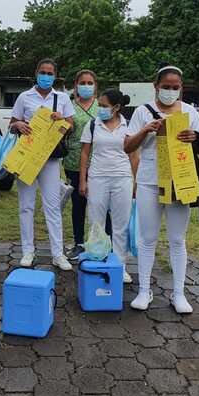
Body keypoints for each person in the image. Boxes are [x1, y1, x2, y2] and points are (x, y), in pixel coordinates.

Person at [124, 65, 199, 314]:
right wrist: (146, 130)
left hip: (180, 181)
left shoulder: (190, 112)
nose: (170, 91)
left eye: (175, 87)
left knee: (177, 239)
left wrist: (194, 138)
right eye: (165, 87)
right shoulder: (142, 111)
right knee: (147, 238)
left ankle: (178, 293)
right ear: (156, 86)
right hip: (150, 180)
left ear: (181, 88)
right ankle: (144, 290)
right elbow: (127, 146)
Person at [9, 59, 74, 271]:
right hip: (27, 157)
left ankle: (57, 253)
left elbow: (71, 126)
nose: (46, 76)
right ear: (36, 73)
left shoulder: (62, 97)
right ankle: (28, 251)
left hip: (50, 159)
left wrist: (62, 120)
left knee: (52, 206)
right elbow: (12, 124)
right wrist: (18, 124)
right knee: (26, 205)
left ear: (55, 76)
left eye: (50, 73)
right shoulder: (24, 97)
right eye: (42, 72)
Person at [78, 88, 137, 283]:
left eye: (104, 106)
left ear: (117, 107)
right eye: (99, 105)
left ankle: (120, 266)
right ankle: (97, 262)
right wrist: (83, 180)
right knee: (96, 223)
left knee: (121, 225)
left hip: (122, 179)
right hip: (97, 178)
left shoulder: (129, 126)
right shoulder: (92, 124)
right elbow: (85, 154)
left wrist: (135, 181)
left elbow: (133, 156)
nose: (100, 109)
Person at [62, 70, 99, 260]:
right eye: (82, 83)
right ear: (75, 85)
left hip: (99, 161)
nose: (86, 86)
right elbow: (63, 131)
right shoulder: (68, 107)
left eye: (89, 83)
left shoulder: (102, 106)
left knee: (100, 205)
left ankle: (100, 242)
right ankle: (79, 242)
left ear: (95, 86)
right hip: (74, 161)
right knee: (78, 204)